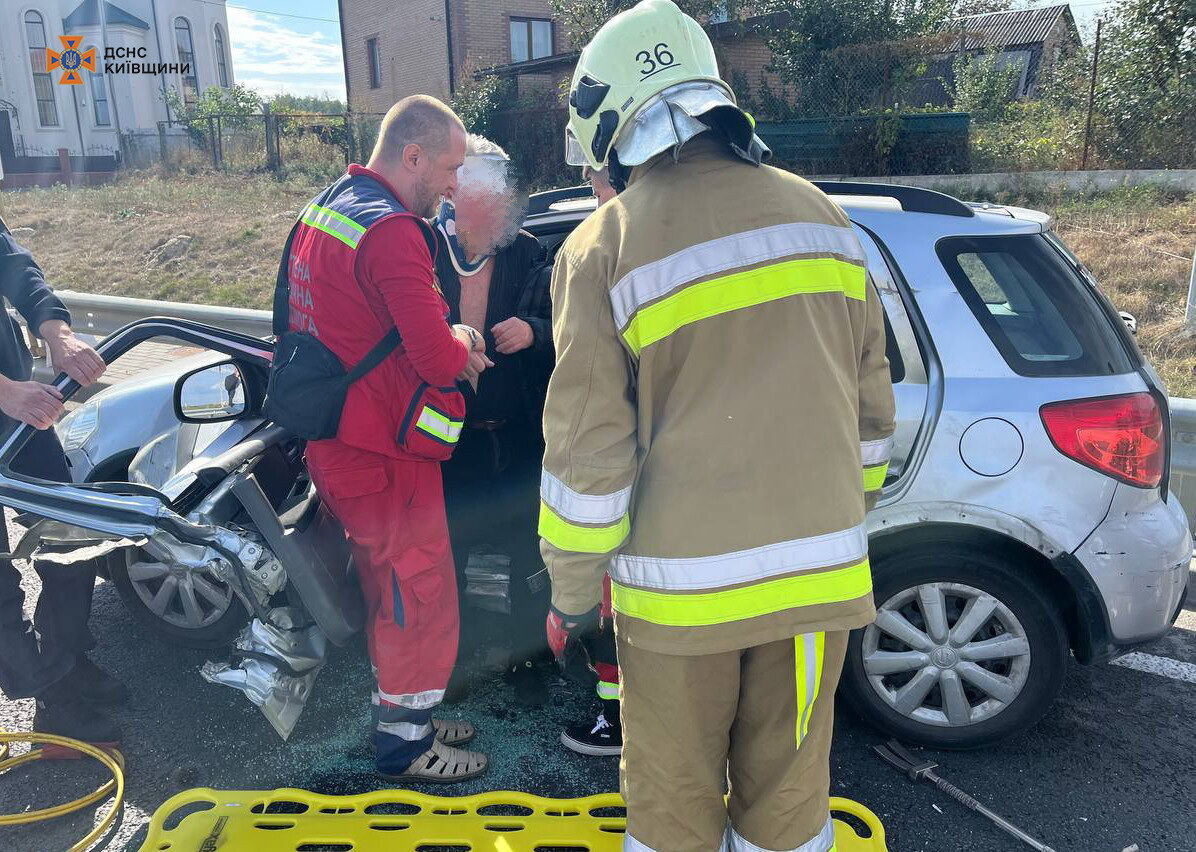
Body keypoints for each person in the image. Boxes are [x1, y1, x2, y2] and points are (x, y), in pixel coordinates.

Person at [539, 2, 897, 850]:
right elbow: (873, 413)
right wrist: (832, 518)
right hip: (817, 587)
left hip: (679, 599)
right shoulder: (826, 218)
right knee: (790, 800)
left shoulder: (602, 246)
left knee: (672, 802)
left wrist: (567, 593)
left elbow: (588, 454)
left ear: (610, 126)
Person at [279, 95, 490, 783]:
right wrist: (465, 338)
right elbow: (435, 358)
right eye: (452, 168)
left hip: (339, 441)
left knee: (387, 585)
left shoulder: (328, 207)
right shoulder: (396, 231)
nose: (457, 185)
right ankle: (405, 744)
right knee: (415, 591)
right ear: (413, 156)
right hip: (382, 451)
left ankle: (411, 711)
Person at [433, 135, 556, 705]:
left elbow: (569, 326)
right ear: (459, 197)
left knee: (526, 551)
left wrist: (534, 331)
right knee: (448, 553)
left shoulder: (527, 251)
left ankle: (526, 660)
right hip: (443, 440)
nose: (506, 207)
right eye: (494, 195)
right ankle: (454, 661)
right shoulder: (422, 250)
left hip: (516, 436)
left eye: (507, 196)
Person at [0, 221, 126, 747]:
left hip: (20, 415)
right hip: (11, 399)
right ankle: (49, 697)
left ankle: (66, 662)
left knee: (71, 535)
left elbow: (15, 266)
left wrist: (57, 330)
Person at [560, 165, 623, 756]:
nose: (590, 188)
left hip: (627, 484)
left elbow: (590, 410)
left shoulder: (601, 248)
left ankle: (617, 724)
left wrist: (567, 597)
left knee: (613, 609)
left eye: (596, 181)